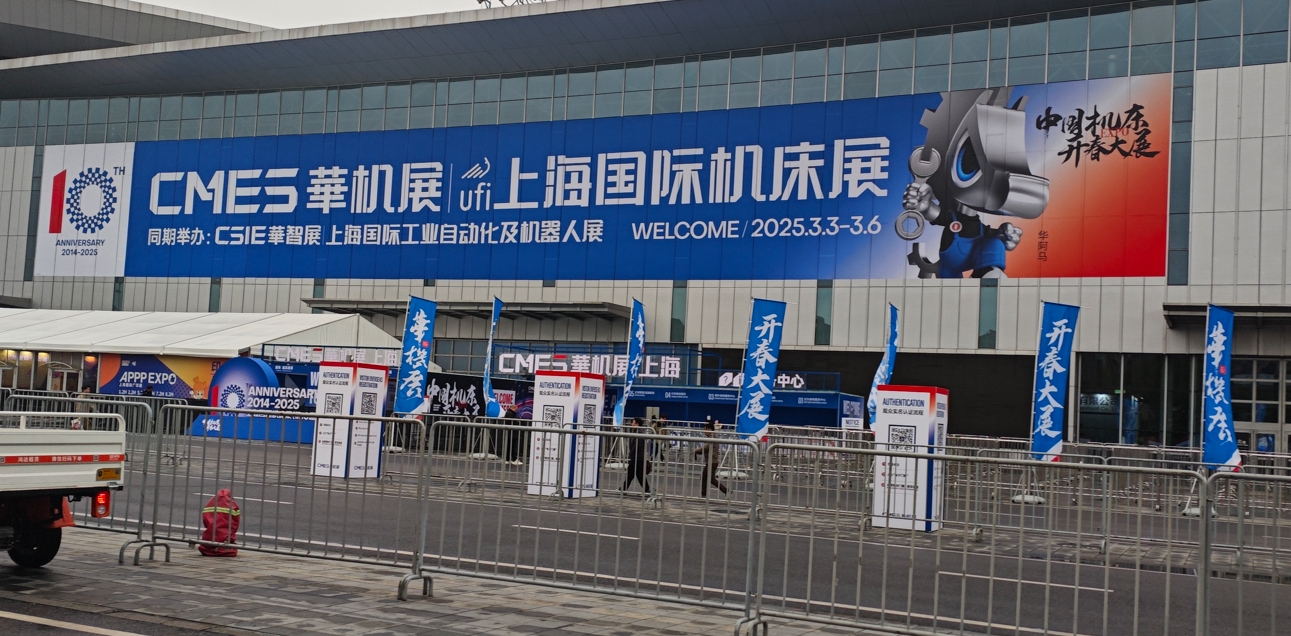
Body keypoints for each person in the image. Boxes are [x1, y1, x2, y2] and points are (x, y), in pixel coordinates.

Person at [694, 419, 728, 497]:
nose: (704, 431)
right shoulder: (712, 437)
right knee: (705, 477)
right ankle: (703, 494)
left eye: (705, 429)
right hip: (711, 461)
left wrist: (696, 451)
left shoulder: (713, 437)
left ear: (709, 429)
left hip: (712, 461)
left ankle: (726, 490)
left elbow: (706, 448)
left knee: (711, 479)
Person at [618, 417, 651, 493]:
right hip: (636, 457)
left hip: (637, 457)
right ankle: (624, 488)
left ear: (637, 424)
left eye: (633, 422)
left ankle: (646, 489)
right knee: (633, 474)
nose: (631, 424)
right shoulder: (637, 432)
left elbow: (636, 445)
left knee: (637, 474)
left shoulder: (639, 433)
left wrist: (631, 453)